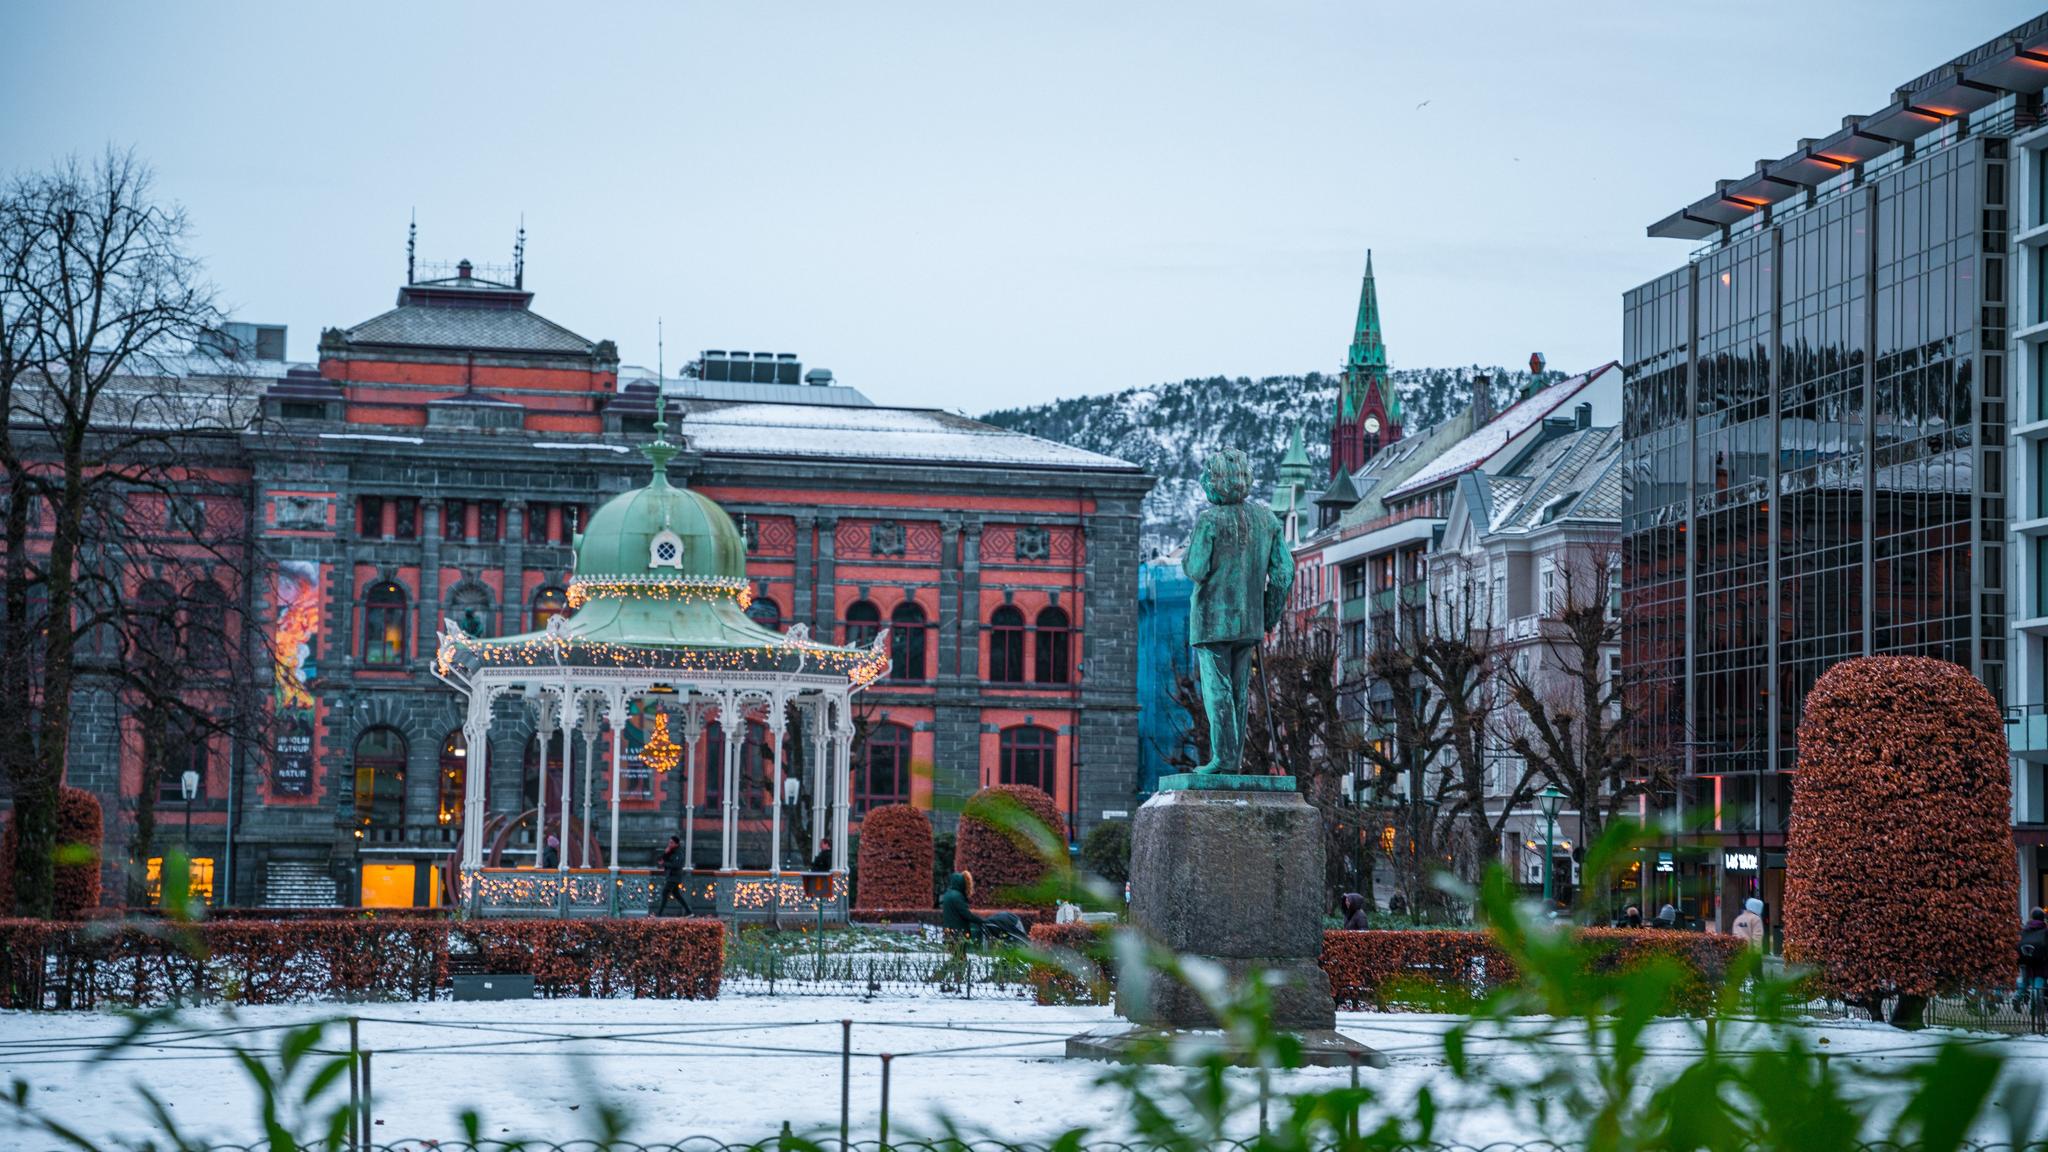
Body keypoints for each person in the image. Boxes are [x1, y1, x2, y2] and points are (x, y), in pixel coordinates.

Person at [2020, 907, 2048, 1031]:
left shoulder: (2025, 930)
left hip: (2028, 965)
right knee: (2039, 991)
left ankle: (2035, 1021)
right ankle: (2041, 1021)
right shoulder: (2045, 931)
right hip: (2042, 967)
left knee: (2032, 989)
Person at [940, 870, 987, 941]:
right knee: (960, 951)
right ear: (961, 883)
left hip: (948, 932)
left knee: (951, 951)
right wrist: (980, 921)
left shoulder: (947, 894)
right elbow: (966, 914)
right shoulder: (958, 896)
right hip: (959, 933)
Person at [655, 835, 692, 916]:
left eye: (671, 843)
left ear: (676, 844)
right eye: (669, 842)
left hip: (674, 877)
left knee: (665, 893)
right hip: (671, 876)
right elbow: (660, 859)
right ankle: (689, 912)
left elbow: (676, 865)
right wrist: (665, 853)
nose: (669, 844)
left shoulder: (679, 852)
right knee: (676, 894)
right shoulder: (671, 851)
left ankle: (659, 914)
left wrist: (664, 864)